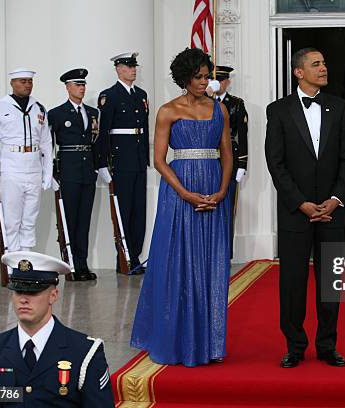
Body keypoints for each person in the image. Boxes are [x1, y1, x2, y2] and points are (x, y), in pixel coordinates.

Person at [130, 48, 232, 367]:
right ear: (184, 78)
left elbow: (227, 154)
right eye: (197, 77)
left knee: (211, 262)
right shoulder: (167, 111)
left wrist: (222, 191)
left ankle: (208, 342)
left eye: (206, 76)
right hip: (179, 191)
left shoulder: (219, 110)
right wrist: (186, 194)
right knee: (176, 261)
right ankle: (173, 337)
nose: (204, 82)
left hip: (215, 188)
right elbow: (159, 161)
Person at [265, 47, 345, 368]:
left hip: (333, 210)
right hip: (295, 212)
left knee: (330, 281)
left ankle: (327, 345)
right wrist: (301, 203)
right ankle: (295, 345)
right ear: (298, 72)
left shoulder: (340, 107)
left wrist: (335, 198)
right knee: (292, 282)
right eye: (316, 64)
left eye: (325, 62)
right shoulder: (277, 110)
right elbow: (275, 163)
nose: (323, 67)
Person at [0, 251, 114, 407]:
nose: (23, 299)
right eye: (18, 291)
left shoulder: (84, 351)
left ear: (53, 295)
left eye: (33, 292)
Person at [49, 68, 108, 281]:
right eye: (77, 85)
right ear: (67, 87)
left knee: (84, 220)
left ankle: (82, 264)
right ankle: (69, 266)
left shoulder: (93, 113)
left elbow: (97, 143)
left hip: (87, 171)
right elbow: (49, 145)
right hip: (68, 170)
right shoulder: (56, 114)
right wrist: (52, 172)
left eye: (83, 85)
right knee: (69, 220)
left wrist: (99, 167)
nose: (81, 88)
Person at [0, 68, 53, 252]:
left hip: (33, 168)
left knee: (30, 219)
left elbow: (47, 142)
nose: (27, 85)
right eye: (23, 81)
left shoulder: (39, 107)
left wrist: (48, 172)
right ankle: (14, 264)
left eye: (30, 81)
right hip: (11, 169)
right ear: (12, 83)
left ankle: (27, 263)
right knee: (12, 220)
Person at [96, 52, 149, 275]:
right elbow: (103, 131)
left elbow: (144, 128)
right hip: (121, 158)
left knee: (139, 209)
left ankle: (135, 255)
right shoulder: (110, 96)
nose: (133, 70)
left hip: (137, 157)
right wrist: (102, 163)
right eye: (128, 66)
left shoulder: (141, 95)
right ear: (118, 69)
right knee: (123, 209)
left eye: (134, 66)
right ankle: (124, 256)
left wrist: (146, 157)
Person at [213, 66, 248, 257]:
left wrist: (242, 164)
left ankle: (226, 251)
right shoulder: (205, 103)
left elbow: (242, 136)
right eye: (215, 80)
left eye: (221, 80)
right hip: (210, 159)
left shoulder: (235, 103)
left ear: (227, 82)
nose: (218, 84)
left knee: (227, 209)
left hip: (230, 160)